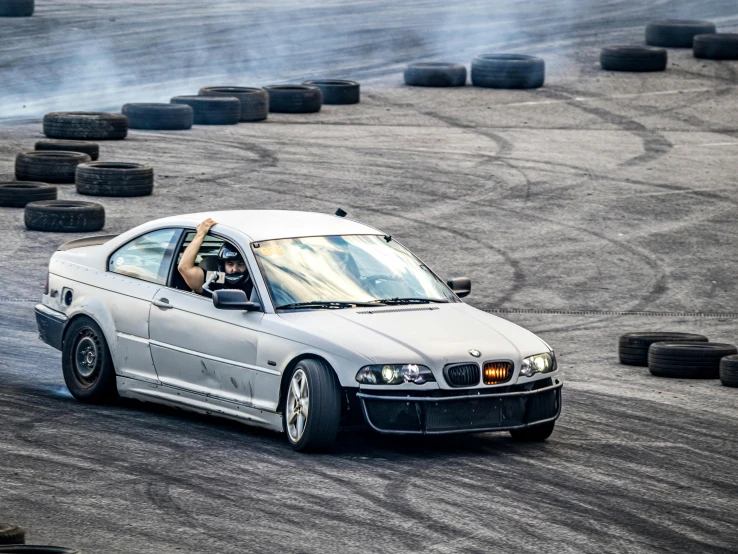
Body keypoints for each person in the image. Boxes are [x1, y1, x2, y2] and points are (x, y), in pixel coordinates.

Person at [177, 217, 253, 298]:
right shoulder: (212, 280)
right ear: (222, 265)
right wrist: (200, 235)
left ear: (248, 265)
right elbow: (184, 268)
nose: (234, 269)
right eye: (230, 264)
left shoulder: (258, 280)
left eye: (240, 264)